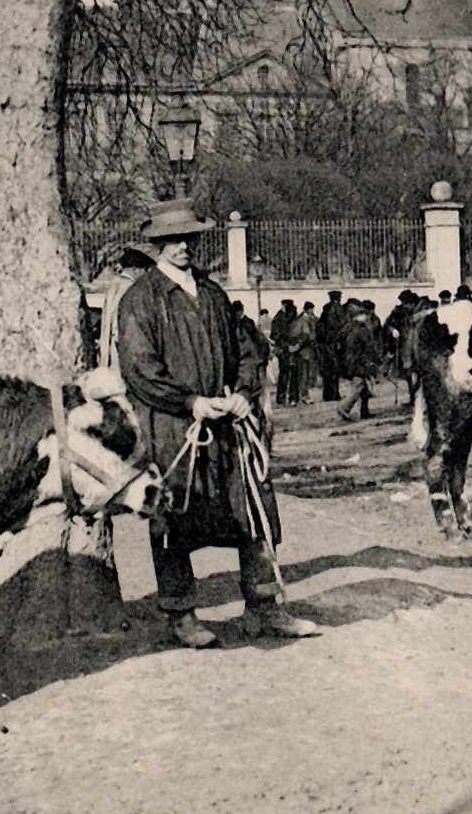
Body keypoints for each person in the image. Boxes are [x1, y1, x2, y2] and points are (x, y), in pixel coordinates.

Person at [116, 199, 321, 647]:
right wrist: (190, 402)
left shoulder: (212, 293)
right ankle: (181, 613)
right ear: (155, 245)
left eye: (188, 238)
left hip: (228, 425)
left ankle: (265, 607)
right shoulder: (141, 300)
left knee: (252, 508)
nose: (182, 247)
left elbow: (246, 348)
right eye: (172, 240)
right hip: (173, 429)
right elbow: (140, 368)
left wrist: (244, 394)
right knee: (172, 519)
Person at [315, 290, 347, 403]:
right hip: (333, 343)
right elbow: (341, 325)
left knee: (327, 370)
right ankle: (335, 394)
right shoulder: (337, 309)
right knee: (334, 369)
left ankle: (327, 394)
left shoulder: (326, 309)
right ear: (338, 298)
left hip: (324, 344)